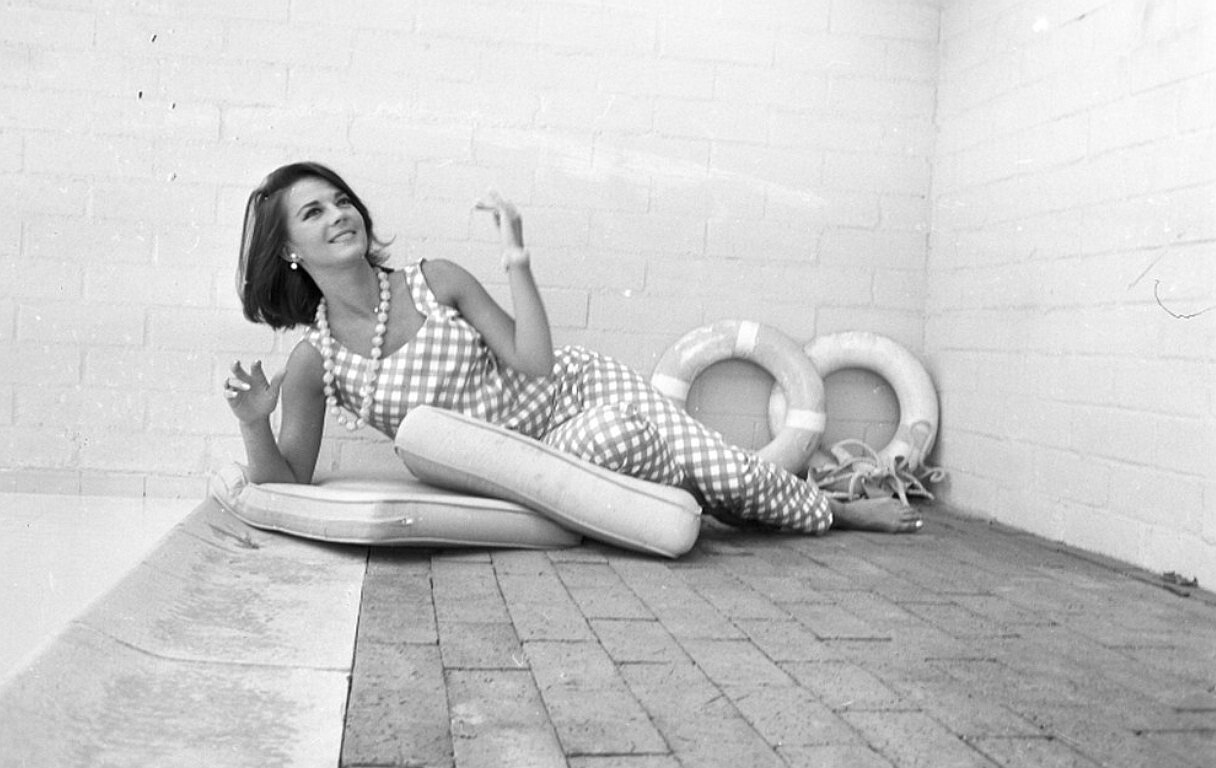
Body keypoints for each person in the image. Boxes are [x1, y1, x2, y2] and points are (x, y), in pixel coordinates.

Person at [224, 161, 922, 534]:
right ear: (288, 250)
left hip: (576, 386)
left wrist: (516, 258)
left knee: (722, 466)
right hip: (539, 455)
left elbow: (533, 362)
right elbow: (287, 485)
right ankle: (724, 501)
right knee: (621, 441)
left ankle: (833, 511)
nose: (340, 213)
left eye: (341, 199)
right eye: (314, 212)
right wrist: (255, 423)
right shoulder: (316, 362)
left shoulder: (434, 280)